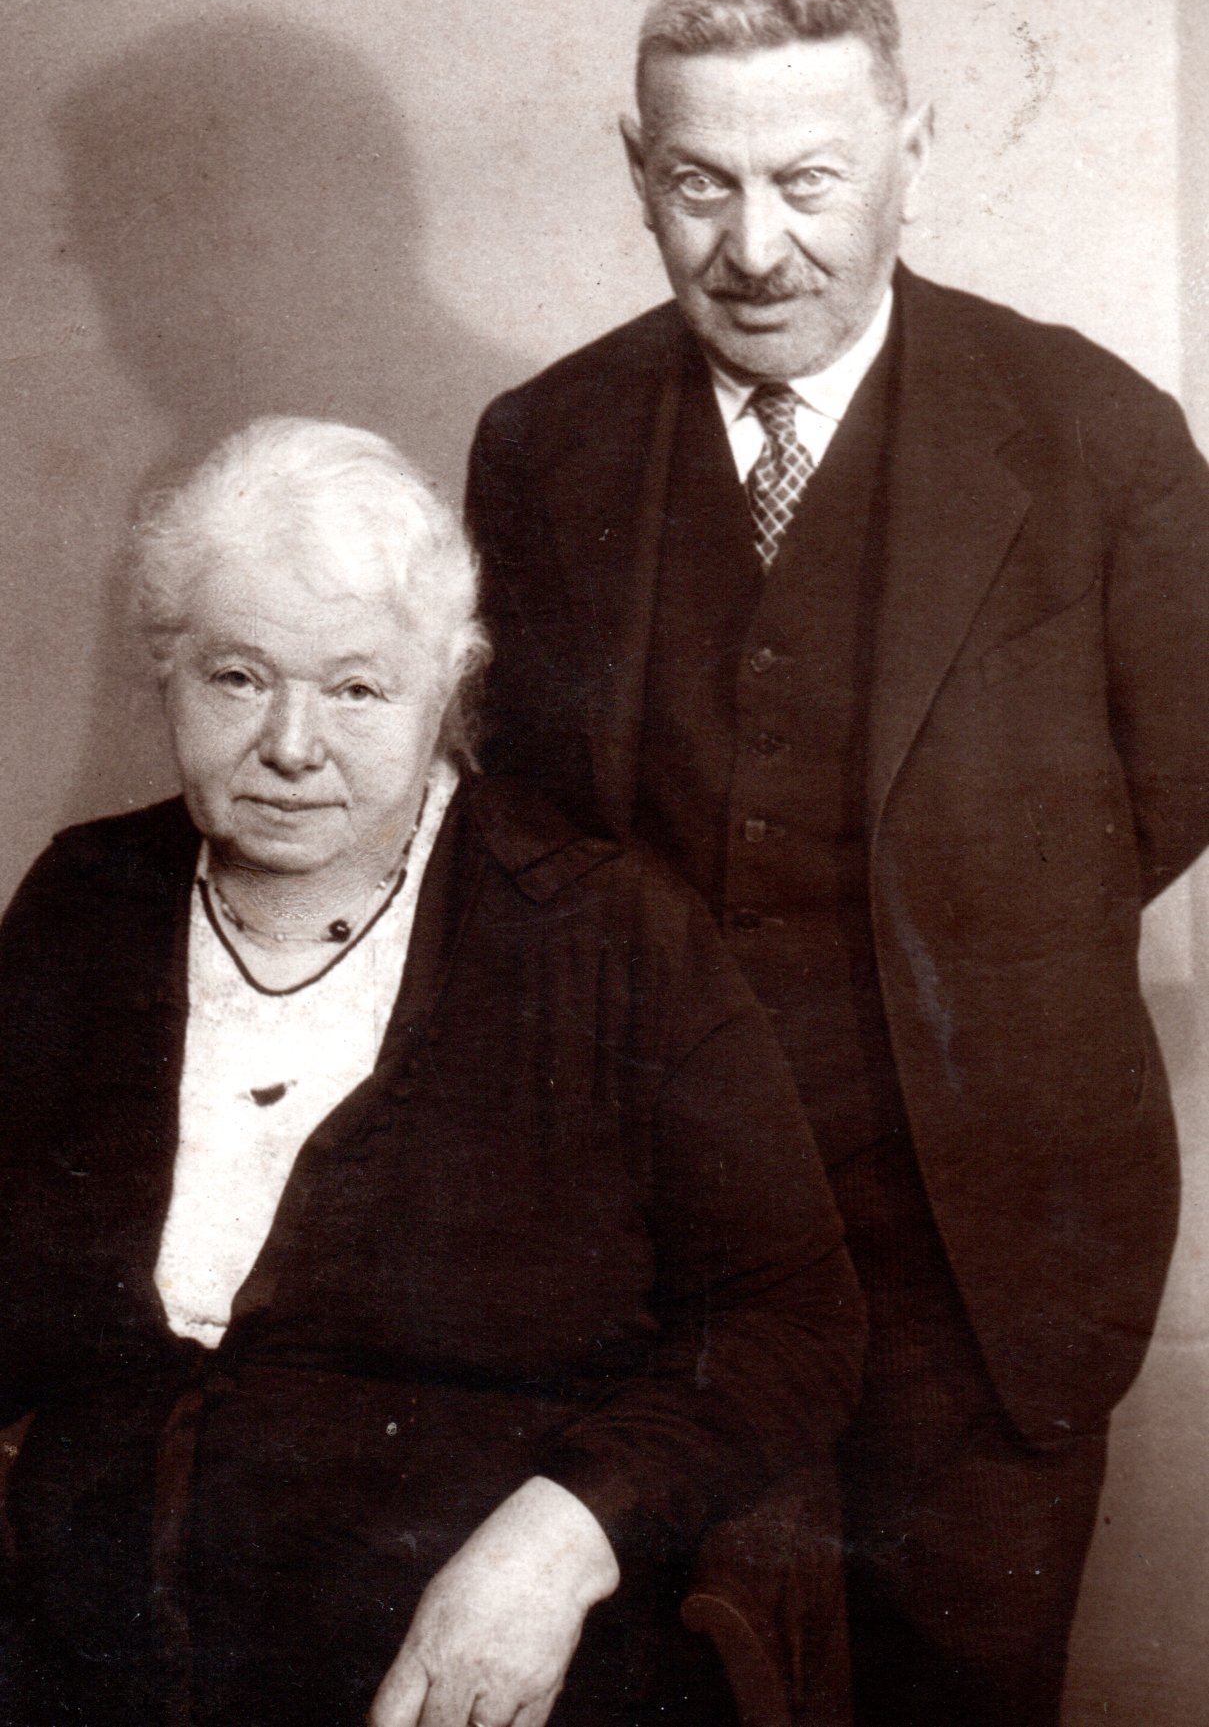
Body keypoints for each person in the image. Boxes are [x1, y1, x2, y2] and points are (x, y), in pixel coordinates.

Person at [464, 0, 1209, 1727]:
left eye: (806, 180)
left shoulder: (1097, 435)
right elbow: (526, 828)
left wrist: (968, 928)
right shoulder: (543, 446)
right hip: (659, 1264)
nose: (754, 247)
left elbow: (1176, 776)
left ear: (909, 151)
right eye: (698, 183)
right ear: (633, 167)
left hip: (988, 1264)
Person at [0, 416, 864, 1727]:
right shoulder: (88, 898)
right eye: (238, 677)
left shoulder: (604, 935)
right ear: (165, 671)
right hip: (88, 1666)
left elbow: (791, 1319)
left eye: (357, 689)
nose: (292, 744)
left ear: (447, 688)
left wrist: (565, 1536)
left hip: (465, 1680)